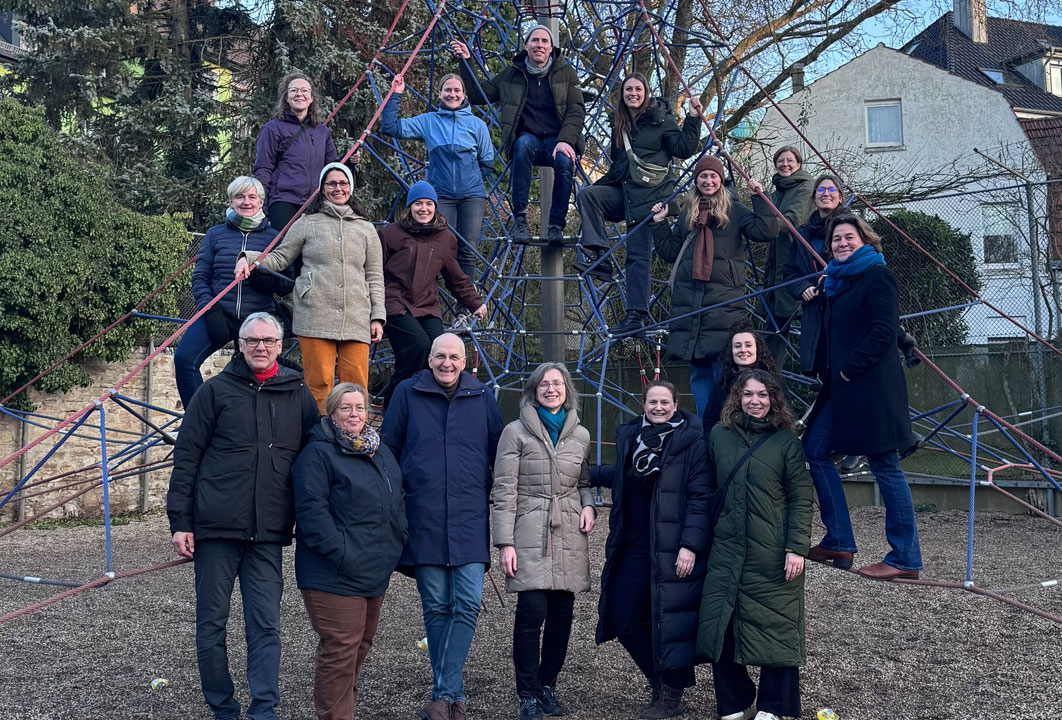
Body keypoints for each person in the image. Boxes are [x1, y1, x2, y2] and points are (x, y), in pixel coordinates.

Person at [167, 312, 319, 720]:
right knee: (211, 627)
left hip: (267, 532)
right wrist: (180, 522)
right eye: (252, 340)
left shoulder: (297, 393)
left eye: (268, 340)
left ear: (279, 344)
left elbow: (315, 458)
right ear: (239, 343)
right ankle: (223, 707)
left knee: (266, 625)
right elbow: (187, 458)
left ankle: (264, 709)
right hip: (216, 529)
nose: (260, 347)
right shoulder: (214, 392)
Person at [380, 333, 504, 720]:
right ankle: (451, 696)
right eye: (440, 356)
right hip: (424, 515)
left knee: (466, 603)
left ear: (464, 361)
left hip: (469, 516)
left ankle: (444, 691)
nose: (446, 363)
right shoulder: (406, 392)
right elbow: (390, 450)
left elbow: (498, 452)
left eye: (454, 357)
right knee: (436, 607)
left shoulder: (482, 396)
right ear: (429, 359)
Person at [801, 213, 923, 580]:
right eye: (836, 239)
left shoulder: (877, 276)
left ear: (864, 240)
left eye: (848, 237)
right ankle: (839, 538)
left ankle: (905, 557)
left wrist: (848, 368)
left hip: (871, 388)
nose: (841, 243)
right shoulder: (836, 284)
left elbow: (884, 331)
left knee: (885, 463)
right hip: (841, 389)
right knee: (815, 449)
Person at [697, 369, 812, 720]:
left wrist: (797, 546)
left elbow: (800, 496)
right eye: (748, 394)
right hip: (728, 548)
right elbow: (705, 486)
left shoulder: (787, 441)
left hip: (771, 549)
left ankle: (773, 707)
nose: (755, 401)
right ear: (737, 397)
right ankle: (735, 702)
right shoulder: (720, 435)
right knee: (723, 626)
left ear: (773, 399)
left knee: (776, 627)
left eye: (762, 395)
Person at [592, 380, 711, 719]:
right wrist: (587, 475)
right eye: (652, 402)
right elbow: (625, 477)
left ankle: (670, 692)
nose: (658, 407)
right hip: (634, 545)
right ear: (643, 404)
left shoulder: (692, 442)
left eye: (665, 402)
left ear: (676, 404)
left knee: (670, 621)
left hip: (673, 547)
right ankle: (659, 678)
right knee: (622, 615)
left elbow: (700, 497)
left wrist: (690, 545)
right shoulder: (632, 437)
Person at [292, 382, 407, 720]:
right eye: (346, 408)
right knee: (340, 650)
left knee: (359, 648)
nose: (355, 414)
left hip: (375, 568)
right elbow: (312, 514)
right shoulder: (318, 453)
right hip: (334, 572)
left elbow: (397, 497)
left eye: (360, 407)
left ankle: (344, 710)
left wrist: (399, 537)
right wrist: (344, 554)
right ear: (333, 412)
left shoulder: (378, 449)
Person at [235, 162, 385, 413]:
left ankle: (352, 441)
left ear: (351, 187)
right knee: (318, 383)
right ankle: (319, 439)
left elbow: (375, 275)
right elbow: (281, 257)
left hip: (357, 314)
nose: (338, 188)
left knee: (356, 385)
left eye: (343, 183)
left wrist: (377, 316)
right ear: (322, 189)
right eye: (332, 184)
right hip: (315, 312)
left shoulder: (366, 228)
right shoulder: (307, 222)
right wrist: (250, 257)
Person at [492, 363, 596, 720]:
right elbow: (504, 490)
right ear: (533, 390)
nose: (552, 389)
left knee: (562, 615)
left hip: (567, 527)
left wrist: (588, 505)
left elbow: (584, 480)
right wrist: (504, 542)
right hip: (530, 527)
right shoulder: (515, 432)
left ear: (567, 389)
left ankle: (548, 683)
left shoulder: (580, 435)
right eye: (544, 385)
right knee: (531, 613)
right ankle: (528, 693)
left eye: (558, 384)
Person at [573, 73, 703, 335]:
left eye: (638, 89)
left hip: (650, 198)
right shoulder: (620, 124)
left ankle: (637, 316)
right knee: (588, 195)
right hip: (626, 193)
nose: (633, 93)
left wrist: (693, 118)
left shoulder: (661, 119)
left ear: (646, 92)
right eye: (628, 89)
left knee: (637, 255)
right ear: (622, 95)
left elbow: (683, 149)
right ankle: (600, 257)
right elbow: (619, 162)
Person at [651, 155, 778, 416]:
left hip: (724, 305)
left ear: (721, 179)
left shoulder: (735, 210)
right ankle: (706, 431)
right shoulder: (689, 212)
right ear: (696, 180)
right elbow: (670, 251)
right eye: (703, 176)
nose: (708, 180)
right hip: (691, 306)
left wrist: (758, 198)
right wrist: (660, 224)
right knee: (700, 375)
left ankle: (728, 427)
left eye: (713, 176)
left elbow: (766, 231)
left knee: (726, 375)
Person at [451, 25, 585, 245]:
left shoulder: (566, 73)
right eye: (535, 40)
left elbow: (576, 109)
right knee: (521, 147)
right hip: (529, 138)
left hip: (558, 138)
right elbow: (477, 95)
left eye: (544, 41)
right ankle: (520, 220)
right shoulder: (512, 74)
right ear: (526, 46)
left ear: (552, 48)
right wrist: (467, 60)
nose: (539, 45)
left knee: (564, 161)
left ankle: (556, 226)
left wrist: (565, 140)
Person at [174, 176, 294, 409]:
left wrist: (267, 281)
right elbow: (200, 277)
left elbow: (288, 282)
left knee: (250, 376)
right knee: (184, 359)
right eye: (240, 197)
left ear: (261, 203)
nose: (246, 202)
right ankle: (199, 417)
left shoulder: (275, 237)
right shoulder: (215, 234)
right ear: (230, 202)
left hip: (256, 318)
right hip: (219, 312)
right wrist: (210, 309)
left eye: (252, 197)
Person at [377, 181, 488, 407]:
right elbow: (374, 270)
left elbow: (455, 277)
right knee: (417, 347)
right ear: (410, 207)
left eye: (429, 204)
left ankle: (426, 405)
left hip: (426, 304)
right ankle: (393, 404)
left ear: (435, 207)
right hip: (395, 302)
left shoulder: (444, 238)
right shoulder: (391, 234)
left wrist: (474, 302)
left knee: (438, 350)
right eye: (418, 203)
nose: (424, 209)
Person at [381, 73, 495, 280]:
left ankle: (465, 307)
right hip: (441, 196)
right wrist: (395, 94)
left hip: (472, 196)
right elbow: (390, 127)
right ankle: (433, 302)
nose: (452, 94)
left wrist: (470, 179)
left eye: (457, 90)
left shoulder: (476, 125)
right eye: (448, 90)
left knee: (468, 250)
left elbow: (487, 161)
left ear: (463, 94)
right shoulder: (429, 122)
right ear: (440, 93)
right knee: (441, 249)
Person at [254, 72, 340, 232]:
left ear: (312, 97)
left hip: (316, 204)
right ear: (286, 98)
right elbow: (263, 168)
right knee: (286, 252)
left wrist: (350, 163)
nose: (299, 94)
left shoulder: (322, 132)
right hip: (284, 201)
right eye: (293, 90)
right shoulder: (273, 128)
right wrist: (261, 204)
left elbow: (332, 169)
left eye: (304, 90)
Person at [780, 174, 844, 378]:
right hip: (815, 314)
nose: (826, 194)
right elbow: (790, 272)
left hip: (843, 309)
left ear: (840, 197)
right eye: (821, 190)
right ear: (814, 197)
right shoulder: (803, 234)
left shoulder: (851, 228)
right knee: (823, 376)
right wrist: (802, 288)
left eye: (832, 190)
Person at [760, 146, 814, 367]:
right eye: (780, 161)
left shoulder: (805, 187)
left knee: (802, 321)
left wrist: (764, 228)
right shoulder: (777, 191)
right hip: (776, 267)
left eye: (790, 160)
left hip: (796, 267)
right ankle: (769, 383)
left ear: (798, 164)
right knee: (773, 330)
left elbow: (792, 219)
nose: (785, 164)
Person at [701, 322, 784, 435]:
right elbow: (709, 422)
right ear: (731, 351)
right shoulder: (722, 385)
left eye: (748, 345)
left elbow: (785, 420)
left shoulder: (773, 382)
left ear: (757, 349)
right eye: (737, 346)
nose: (743, 350)